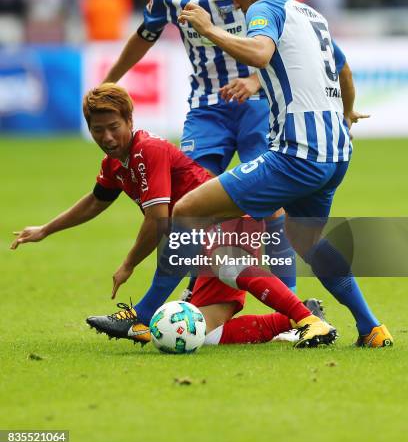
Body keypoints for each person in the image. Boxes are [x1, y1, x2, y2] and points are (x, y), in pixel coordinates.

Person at [115, 0, 392, 348]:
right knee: (308, 241)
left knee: (188, 209)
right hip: (335, 154)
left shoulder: (266, 9)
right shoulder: (311, 14)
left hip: (297, 154)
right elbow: (344, 68)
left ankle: (140, 317)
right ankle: (371, 328)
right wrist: (346, 113)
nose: (234, 3)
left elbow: (260, 53)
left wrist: (210, 30)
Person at [11, 83, 333, 348]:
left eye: (113, 128)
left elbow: (157, 219)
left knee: (220, 258)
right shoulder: (114, 164)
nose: (107, 138)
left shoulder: (146, 151)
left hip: (232, 219)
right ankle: (294, 316)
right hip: (201, 234)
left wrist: (129, 263)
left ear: (129, 121)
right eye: (98, 131)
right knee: (203, 336)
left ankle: (307, 320)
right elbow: (95, 202)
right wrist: (46, 229)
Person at [103, 0, 297, 293]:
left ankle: (297, 308)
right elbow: (146, 35)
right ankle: (186, 297)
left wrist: (257, 81)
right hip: (206, 109)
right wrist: (108, 81)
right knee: (189, 204)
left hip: (259, 107)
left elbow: (289, 40)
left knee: (271, 203)